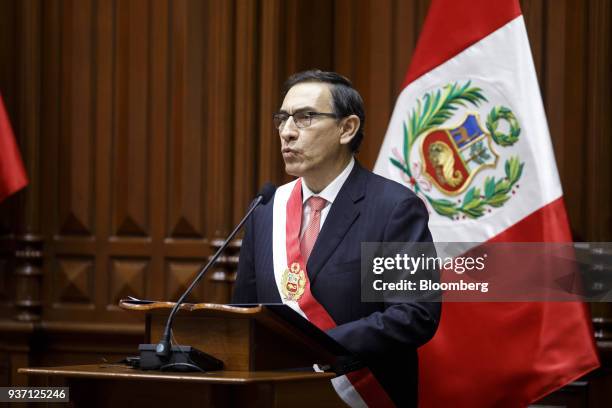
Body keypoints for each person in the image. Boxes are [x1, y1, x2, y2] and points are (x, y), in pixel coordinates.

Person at [232, 70, 440, 407]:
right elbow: (245, 310)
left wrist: (316, 346)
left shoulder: (394, 209)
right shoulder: (266, 211)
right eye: (282, 119)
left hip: (360, 396)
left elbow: (414, 315)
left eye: (305, 118)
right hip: (274, 395)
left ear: (347, 129)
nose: (287, 132)